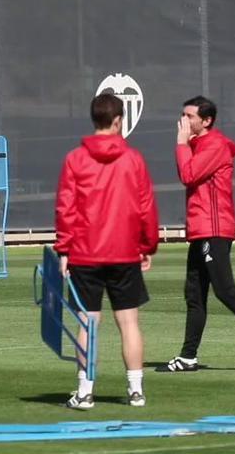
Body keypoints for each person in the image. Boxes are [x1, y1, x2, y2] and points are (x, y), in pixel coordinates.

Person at [159, 96, 235, 373]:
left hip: (213, 229)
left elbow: (189, 175)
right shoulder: (198, 144)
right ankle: (188, 356)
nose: (184, 121)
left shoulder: (213, 145)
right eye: (184, 114)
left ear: (206, 121)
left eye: (190, 116)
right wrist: (185, 144)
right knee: (194, 294)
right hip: (202, 229)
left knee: (226, 291)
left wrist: (181, 144)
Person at [54, 93, 159, 409]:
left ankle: (85, 391)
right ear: (118, 120)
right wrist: (147, 245)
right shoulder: (133, 158)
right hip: (124, 251)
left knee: (88, 324)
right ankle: (136, 390)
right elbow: (146, 206)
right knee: (129, 323)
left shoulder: (75, 158)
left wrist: (64, 249)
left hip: (85, 252)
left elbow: (66, 208)